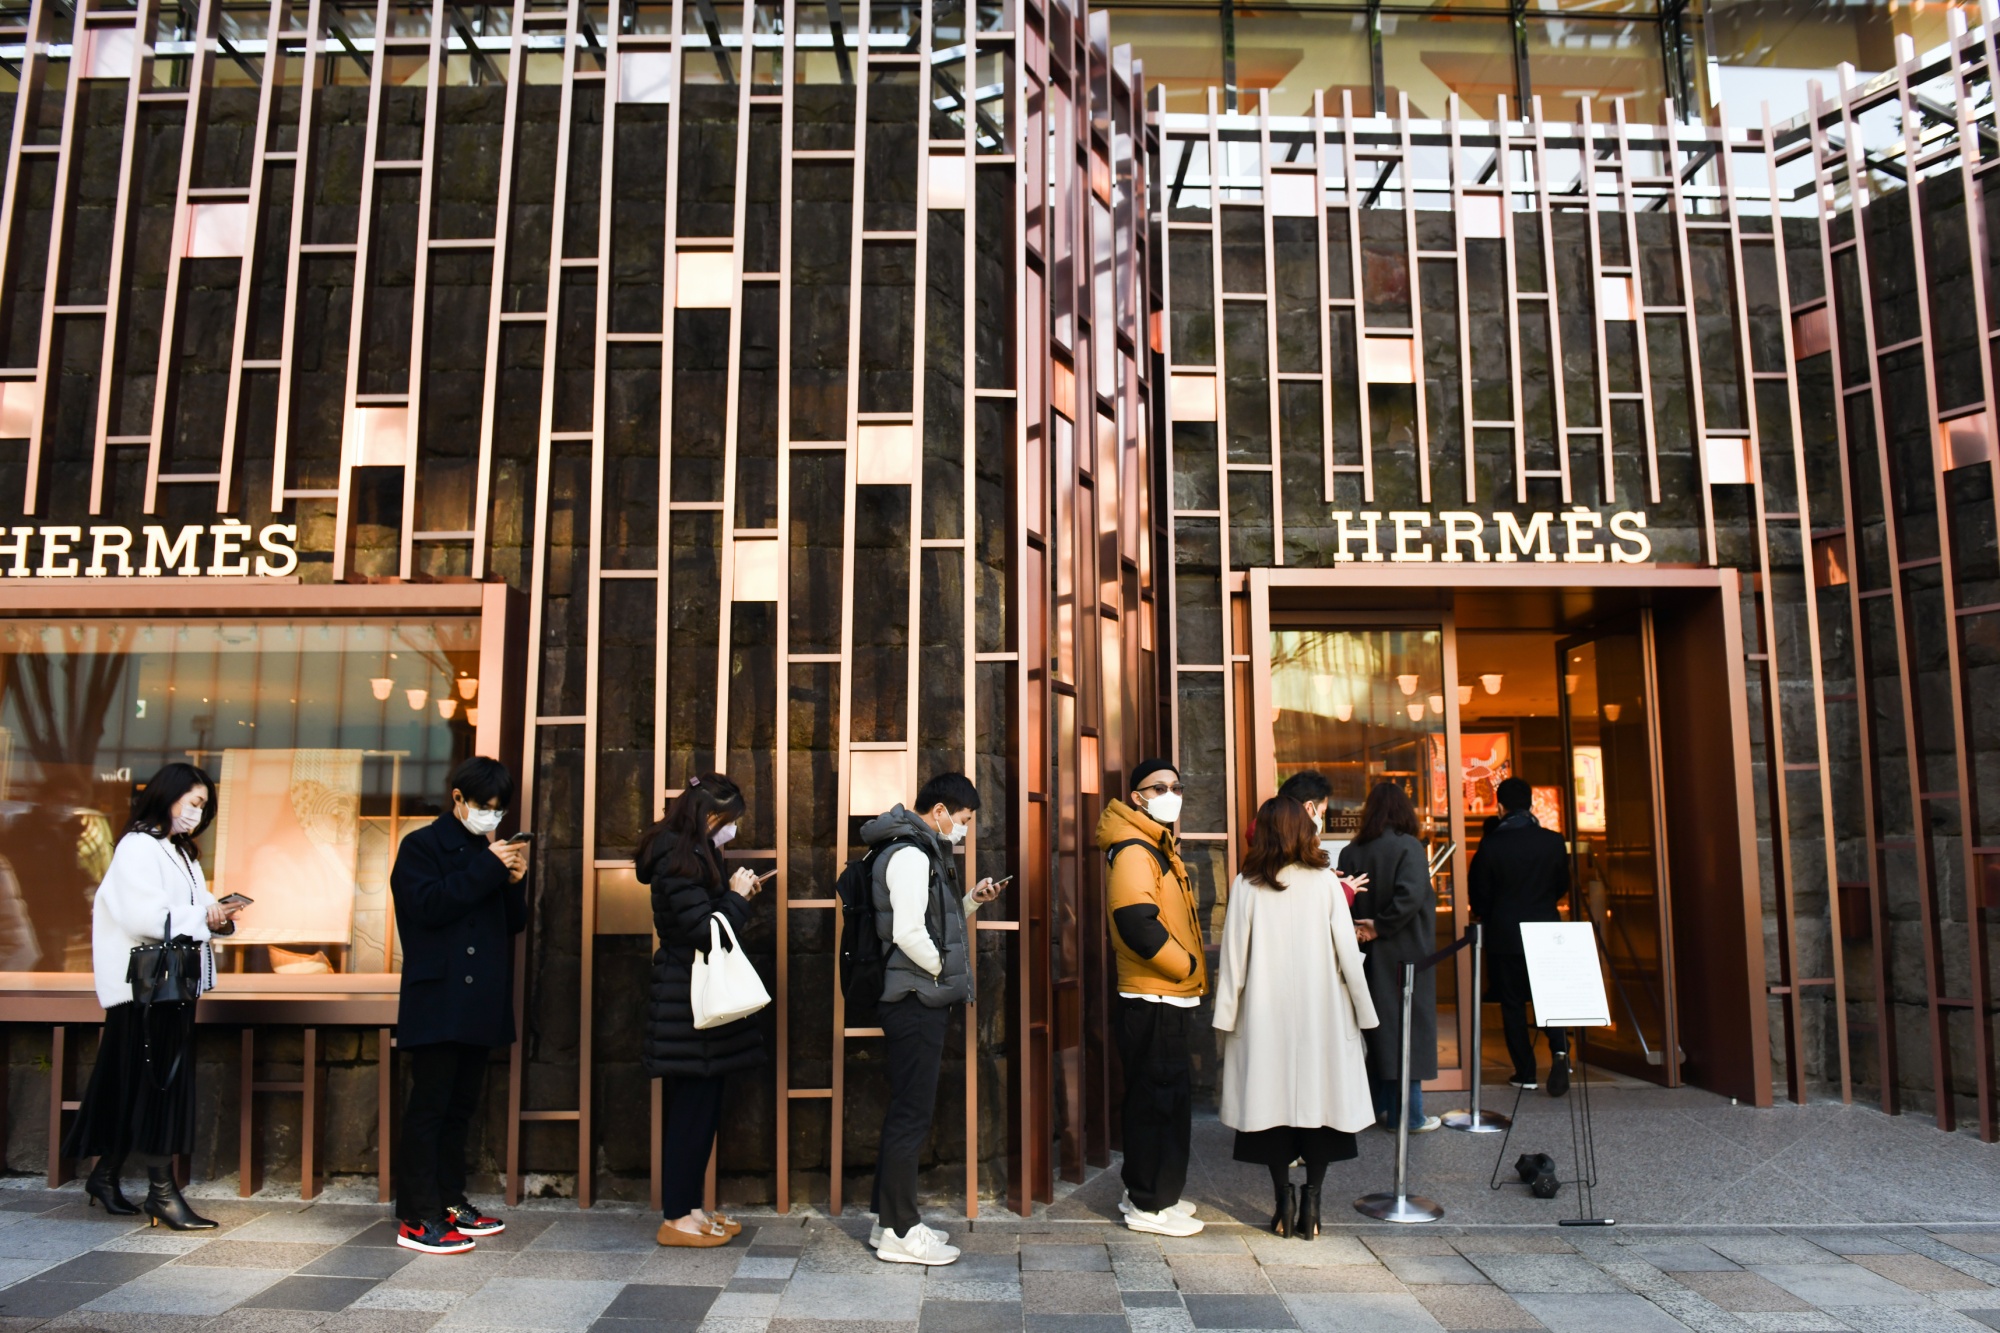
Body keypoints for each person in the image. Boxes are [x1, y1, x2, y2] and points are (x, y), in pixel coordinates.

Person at [65, 763, 241, 1229]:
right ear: (168, 796)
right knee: (158, 1086)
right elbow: (145, 917)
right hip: (143, 991)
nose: (197, 814)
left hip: (168, 988)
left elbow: (188, 911)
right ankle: (162, 1194)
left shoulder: (178, 852)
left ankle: (105, 1176)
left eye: (204, 807)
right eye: (194, 802)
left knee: (133, 1085)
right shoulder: (139, 847)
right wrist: (205, 917)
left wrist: (219, 915)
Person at [1214, 797, 1377, 1240]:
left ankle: (1282, 1198)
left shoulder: (1247, 885)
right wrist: (1365, 1014)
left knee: (1270, 1113)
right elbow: (1348, 952)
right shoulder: (1325, 883)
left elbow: (1233, 961)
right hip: (1322, 1014)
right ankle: (1315, 1201)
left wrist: (1225, 1017)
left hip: (1264, 1017)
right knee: (1322, 1110)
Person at [861, 772, 1003, 1266]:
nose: (962, 830)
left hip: (916, 996)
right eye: (962, 820)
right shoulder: (909, 854)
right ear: (940, 810)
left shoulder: (919, 851)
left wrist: (970, 902)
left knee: (906, 1111)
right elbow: (908, 932)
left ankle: (888, 1223)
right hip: (915, 1000)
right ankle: (902, 1229)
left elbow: (932, 924)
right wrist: (943, 970)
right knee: (911, 1115)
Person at [390, 756, 529, 1255]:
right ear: (457, 798)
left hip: (480, 999)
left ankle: (449, 1201)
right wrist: (489, 867)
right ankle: (416, 1213)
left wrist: (513, 881)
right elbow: (429, 906)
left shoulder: (489, 851)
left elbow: (512, 923)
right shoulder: (421, 846)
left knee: (460, 1108)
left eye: (498, 809)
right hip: (438, 995)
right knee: (429, 1106)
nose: (490, 816)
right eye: (482, 806)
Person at [640, 772, 769, 1249]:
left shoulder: (692, 851)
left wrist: (735, 896)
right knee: (692, 1111)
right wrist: (735, 897)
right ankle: (677, 1216)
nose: (732, 831)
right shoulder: (677, 856)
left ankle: (691, 1207)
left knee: (702, 1109)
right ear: (710, 815)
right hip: (686, 997)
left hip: (693, 996)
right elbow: (702, 930)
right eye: (729, 821)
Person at [1096, 757, 1206, 1238]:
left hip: (1169, 995)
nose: (1171, 794)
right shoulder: (1135, 849)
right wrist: (1184, 966)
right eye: (1159, 787)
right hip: (1154, 995)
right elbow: (1137, 924)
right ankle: (1148, 1203)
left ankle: (1157, 1194)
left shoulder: (1156, 846)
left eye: (1177, 786)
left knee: (1167, 1099)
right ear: (1137, 795)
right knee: (1155, 1100)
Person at [1338, 781, 1441, 1134]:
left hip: (1364, 953)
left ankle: (1370, 1108)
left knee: (1379, 1034)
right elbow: (1410, 897)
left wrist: (1366, 930)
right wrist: (1381, 926)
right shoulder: (1409, 847)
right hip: (1405, 956)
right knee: (1407, 1035)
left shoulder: (1351, 851)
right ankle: (1409, 1116)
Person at [1469, 777, 1572, 1096]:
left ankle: (1525, 1072)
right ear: (1531, 804)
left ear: (1500, 807)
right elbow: (1561, 886)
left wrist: (1491, 912)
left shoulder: (1491, 844)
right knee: (1549, 998)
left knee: (1513, 1003)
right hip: (1546, 930)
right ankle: (1560, 1052)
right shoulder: (1553, 842)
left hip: (1506, 933)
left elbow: (1479, 895)